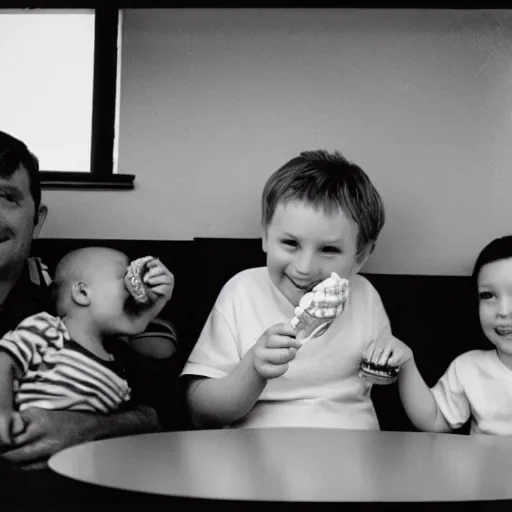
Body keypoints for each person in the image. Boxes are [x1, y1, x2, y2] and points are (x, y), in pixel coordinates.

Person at [0, 130, 177, 471]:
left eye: (7, 196)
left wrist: (86, 426)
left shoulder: (69, 295)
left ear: (38, 220)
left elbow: (160, 409)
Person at [181, 149, 395, 429]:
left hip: (349, 448)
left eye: (328, 249)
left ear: (361, 255)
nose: (304, 268)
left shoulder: (365, 297)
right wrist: (254, 369)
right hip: (258, 451)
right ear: (266, 236)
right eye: (291, 244)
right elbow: (201, 410)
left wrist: (389, 364)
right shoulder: (242, 292)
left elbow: (379, 379)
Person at [0, 247, 174, 445]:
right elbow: (4, 361)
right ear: (82, 292)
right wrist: (2, 410)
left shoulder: (116, 370)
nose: (134, 288)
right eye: (123, 276)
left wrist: (155, 306)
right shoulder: (47, 329)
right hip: (24, 445)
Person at [365, 235, 512, 436]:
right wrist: (407, 363)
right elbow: (434, 420)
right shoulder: (469, 368)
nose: (504, 311)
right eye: (488, 296)